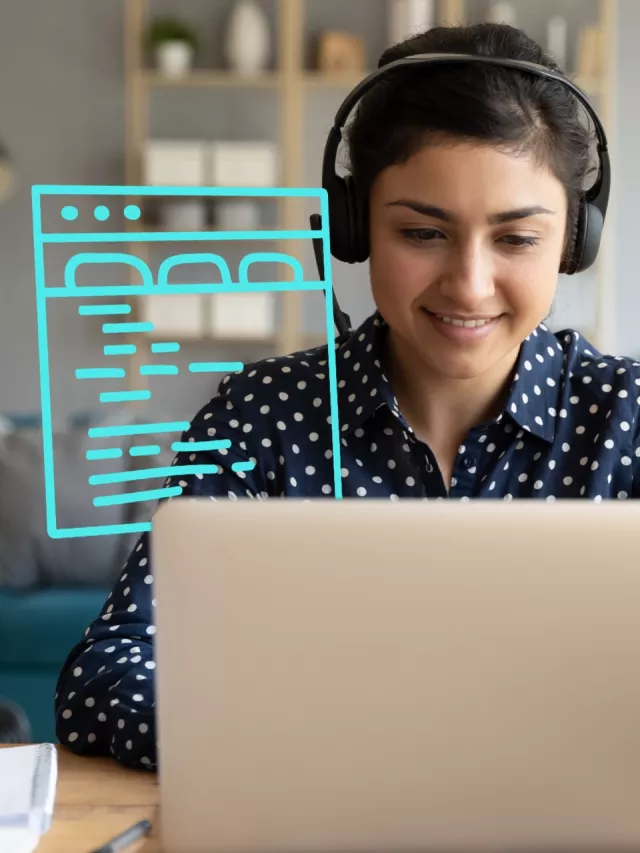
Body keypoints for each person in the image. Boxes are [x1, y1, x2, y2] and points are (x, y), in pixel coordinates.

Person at [54, 21, 639, 770]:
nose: (468, 282)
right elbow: (109, 671)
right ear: (353, 226)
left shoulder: (629, 418)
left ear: (573, 241)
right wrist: (309, 749)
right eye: (422, 233)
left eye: (516, 239)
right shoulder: (259, 419)